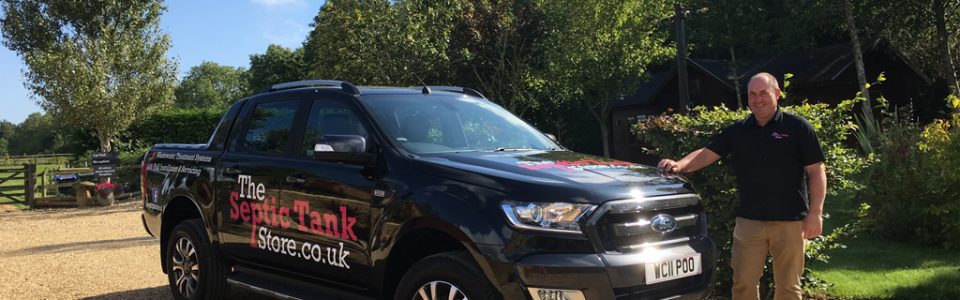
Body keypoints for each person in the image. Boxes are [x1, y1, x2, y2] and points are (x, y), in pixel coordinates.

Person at [657, 72, 827, 300]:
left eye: (763, 93)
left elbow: (816, 171)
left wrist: (816, 213)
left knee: (788, 288)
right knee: (743, 285)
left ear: (777, 94)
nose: (758, 100)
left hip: (791, 222)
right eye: (752, 94)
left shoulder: (798, 128)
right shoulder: (738, 131)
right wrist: (679, 164)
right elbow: (707, 154)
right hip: (749, 222)